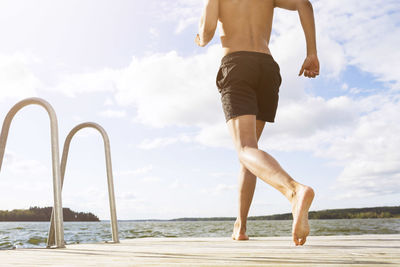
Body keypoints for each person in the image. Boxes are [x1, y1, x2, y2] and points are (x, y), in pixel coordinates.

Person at [195, 0, 319, 246]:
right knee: (250, 153)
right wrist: (311, 53)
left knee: (245, 149)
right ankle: (240, 226)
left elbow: (207, 33)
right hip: (267, 67)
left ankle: (293, 190)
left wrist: (199, 37)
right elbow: (304, 4)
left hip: (238, 65)